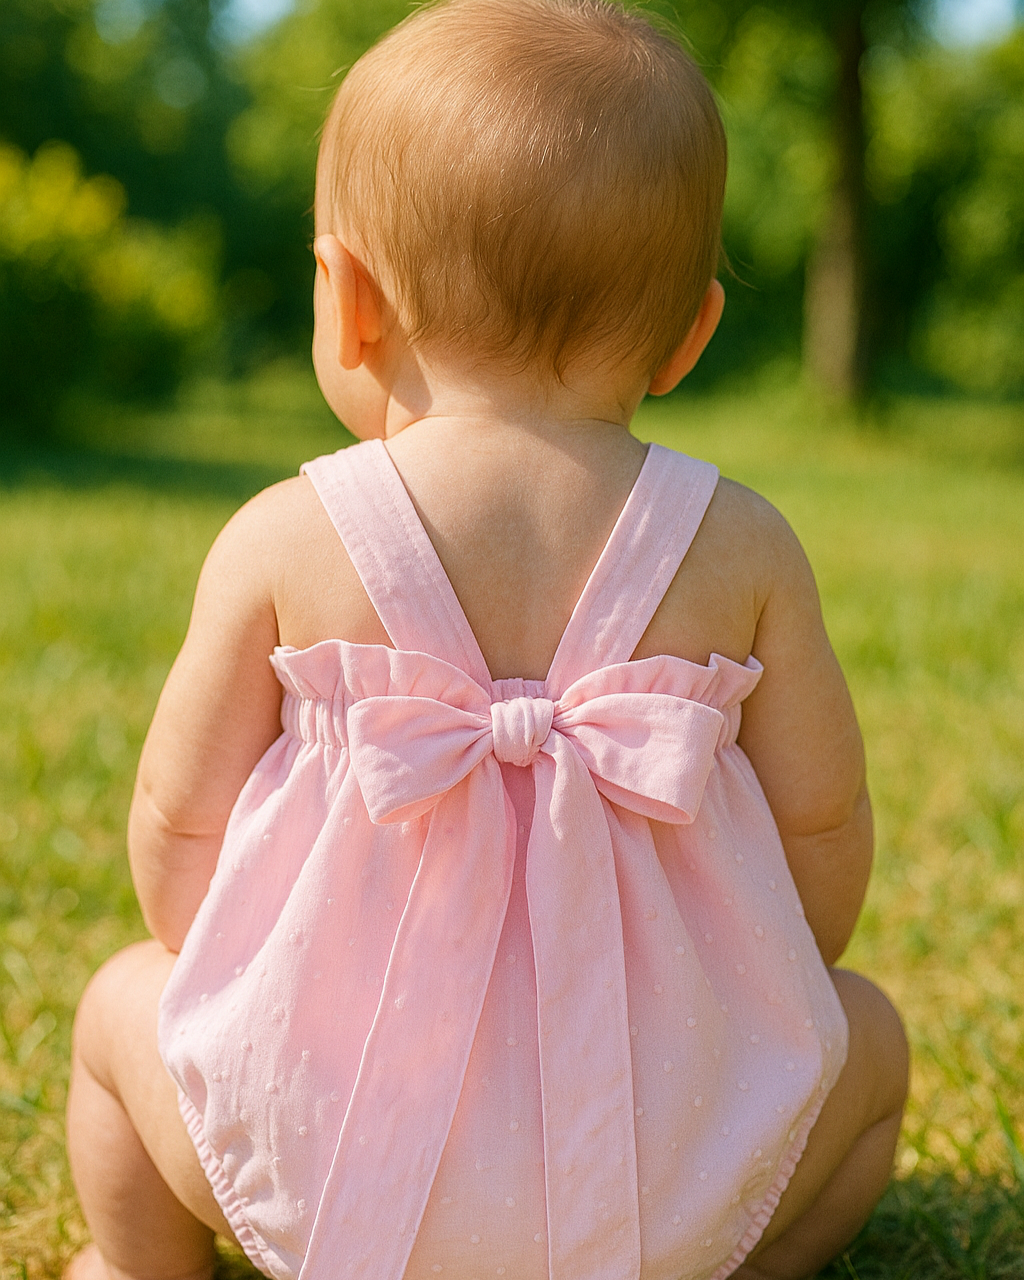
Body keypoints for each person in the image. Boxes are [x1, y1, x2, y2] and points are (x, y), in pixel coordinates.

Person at [64, 2, 909, 1278]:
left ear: (345, 301)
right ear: (691, 332)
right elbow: (822, 836)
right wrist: (762, 993)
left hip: (320, 1162)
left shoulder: (285, 538)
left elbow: (181, 845)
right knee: (870, 1037)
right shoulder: (742, 545)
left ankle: (136, 1268)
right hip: (659, 1173)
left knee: (118, 1002)